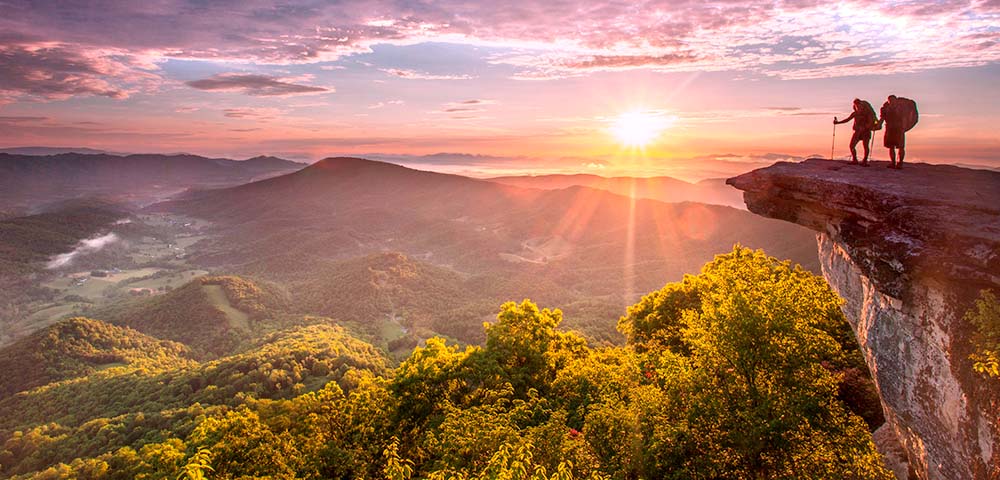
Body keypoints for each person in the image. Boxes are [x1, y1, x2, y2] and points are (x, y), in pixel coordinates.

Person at [833, 98, 877, 165]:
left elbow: (871, 122)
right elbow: (847, 120)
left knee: (865, 146)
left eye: (859, 105)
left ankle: (864, 160)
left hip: (865, 132)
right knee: (852, 146)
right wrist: (838, 123)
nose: (858, 107)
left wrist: (866, 127)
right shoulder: (855, 113)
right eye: (856, 105)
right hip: (858, 132)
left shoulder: (867, 114)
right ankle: (855, 159)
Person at [878, 95, 905, 169]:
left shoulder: (901, 109)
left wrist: (903, 127)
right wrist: (877, 125)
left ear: (896, 101)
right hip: (890, 129)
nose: (892, 102)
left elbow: (904, 118)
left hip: (899, 129)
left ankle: (900, 163)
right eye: (890, 100)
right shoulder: (885, 109)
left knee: (901, 147)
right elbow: (882, 118)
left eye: (893, 100)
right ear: (888, 101)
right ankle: (893, 163)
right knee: (891, 147)